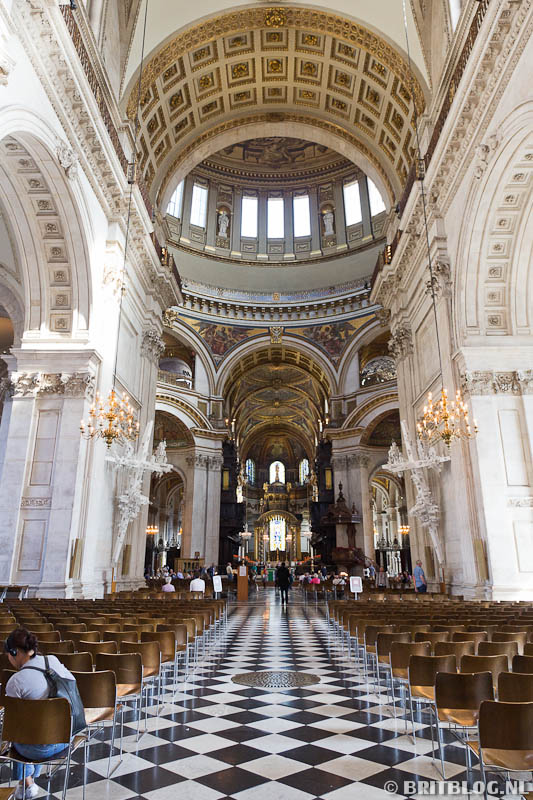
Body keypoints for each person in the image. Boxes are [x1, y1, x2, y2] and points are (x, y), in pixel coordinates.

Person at [4, 629, 76, 799]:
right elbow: (72, 684)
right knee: (31, 729)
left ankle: (27, 782)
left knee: (16, 732)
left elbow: (13, 726)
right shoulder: (53, 661)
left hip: (36, 750)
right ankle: (28, 783)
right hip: (66, 739)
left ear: (14, 652)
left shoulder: (16, 682)